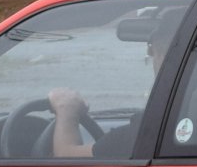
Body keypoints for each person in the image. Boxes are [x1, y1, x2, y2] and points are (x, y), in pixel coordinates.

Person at [47, 10, 182, 158]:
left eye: (152, 50)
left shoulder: (155, 131)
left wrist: (66, 110)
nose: (150, 54)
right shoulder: (195, 115)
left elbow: (67, 156)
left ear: (162, 53)